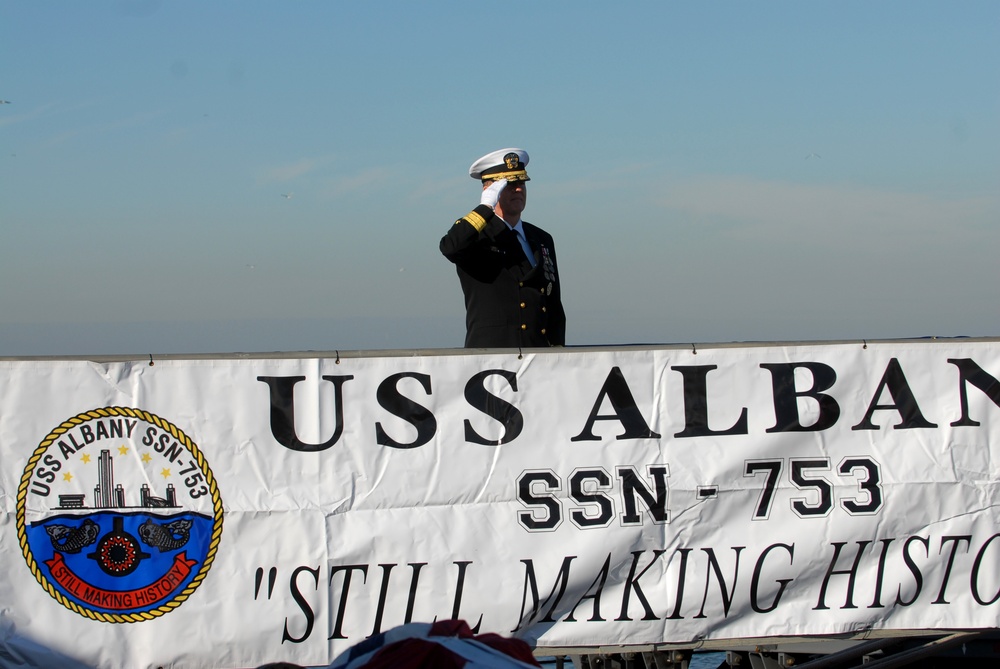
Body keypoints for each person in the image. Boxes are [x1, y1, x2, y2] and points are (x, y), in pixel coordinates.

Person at [440, 148, 566, 348]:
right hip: (492, 358)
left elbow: (554, 305)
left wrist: (559, 352)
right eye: (509, 184)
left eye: (521, 183)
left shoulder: (542, 239)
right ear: (490, 191)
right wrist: (484, 208)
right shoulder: (476, 235)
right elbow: (450, 247)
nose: (518, 189)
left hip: (539, 357)